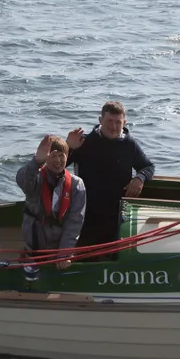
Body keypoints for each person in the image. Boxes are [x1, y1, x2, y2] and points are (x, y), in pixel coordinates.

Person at [66, 101, 155, 249]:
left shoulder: (129, 144)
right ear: (100, 120)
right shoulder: (85, 142)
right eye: (109, 121)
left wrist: (140, 178)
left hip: (116, 208)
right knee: (85, 251)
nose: (113, 127)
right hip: (87, 208)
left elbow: (147, 166)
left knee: (112, 250)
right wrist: (69, 147)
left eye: (118, 122)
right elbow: (57, 166)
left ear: (124, 122)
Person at [16, 134, 87, 281]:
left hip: (58, 251)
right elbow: (22, 180)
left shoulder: (76, 185)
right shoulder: (36, 179)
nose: (58, 161)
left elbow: (75, 222)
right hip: (34, 247)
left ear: (67, 157)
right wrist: (36, 162)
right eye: (53, 156)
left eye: (62, 156)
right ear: (46, 158)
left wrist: (65, 253)